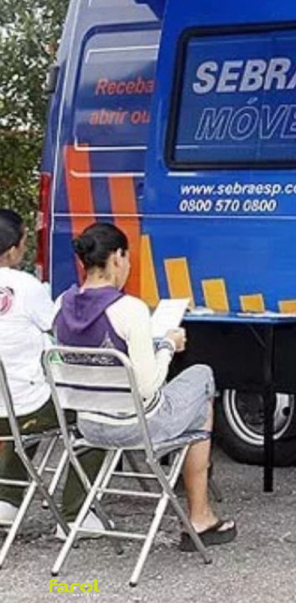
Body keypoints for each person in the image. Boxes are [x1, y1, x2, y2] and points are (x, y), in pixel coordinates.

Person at [54, 222, 236, 551]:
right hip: (137, 426)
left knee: (193, 401)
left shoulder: (60, 305)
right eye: (127, 258)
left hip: (88, 426)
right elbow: (148, 386)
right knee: (202, 378)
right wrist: (167, 345)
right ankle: (199, 515)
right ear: (117, 257)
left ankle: (199, 512)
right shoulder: (130, 310)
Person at [0, 208, 106, 537]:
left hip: (10, 410)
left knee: (23, 405)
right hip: (24, 409)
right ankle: (76, 513)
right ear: (14, 249)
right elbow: (59, 329)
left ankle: (6, 500)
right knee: (96, 410)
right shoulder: (25, 286)